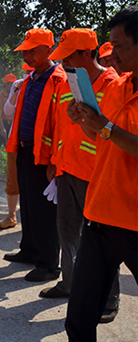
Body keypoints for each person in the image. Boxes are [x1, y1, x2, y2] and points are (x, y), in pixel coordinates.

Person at [65, 6, 138, 342]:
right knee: (79, 318)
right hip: (100, 214)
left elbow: (113, 134)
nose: (112, 54)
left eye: (120, 46)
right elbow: (103, 138)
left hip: (135, 220)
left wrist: (104, 127)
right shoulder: (117, 86)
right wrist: (85, 120)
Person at [41, 29, 121, 306]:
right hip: (67, 168)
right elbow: (62, 125)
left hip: (97, 173)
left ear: (87, 53)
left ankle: (108, 299)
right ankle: (69, 283)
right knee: (67, 232)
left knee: (103, 241)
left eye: (69, 57)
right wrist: (54, 161)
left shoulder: (113, 84)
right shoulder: (69, 82)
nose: (64, 63)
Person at [3, 28, 66, 282]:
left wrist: (55, 160)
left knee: (44, 211)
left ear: (48, 50)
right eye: (25, 51)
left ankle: (49, 264)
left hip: (45, 154)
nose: (27, 56)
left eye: (32, 51)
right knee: (27, 203)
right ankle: (29, 249)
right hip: (26, 148)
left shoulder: (59, 79)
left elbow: (62, 123)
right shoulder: (30, 79)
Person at [0, 72, 25, 230]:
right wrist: (16, 92)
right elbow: (7, 111)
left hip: (37, 141)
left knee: (33, 181)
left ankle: (31, 217)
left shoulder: (49, 81)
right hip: (16, 138)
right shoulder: (18, 85)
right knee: (12, 177)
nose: (28, 74)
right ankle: (12, 215)